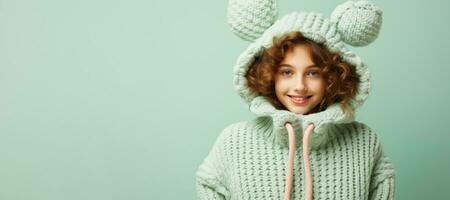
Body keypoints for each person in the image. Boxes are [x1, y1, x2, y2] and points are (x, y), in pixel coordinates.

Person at [196, 0, 396, 200]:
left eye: (313, 73)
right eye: (286, 72)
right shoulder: (234, 141)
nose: (299, 86)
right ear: (269, 74)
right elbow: (209, 183)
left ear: (333, 77)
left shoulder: (364, 141)